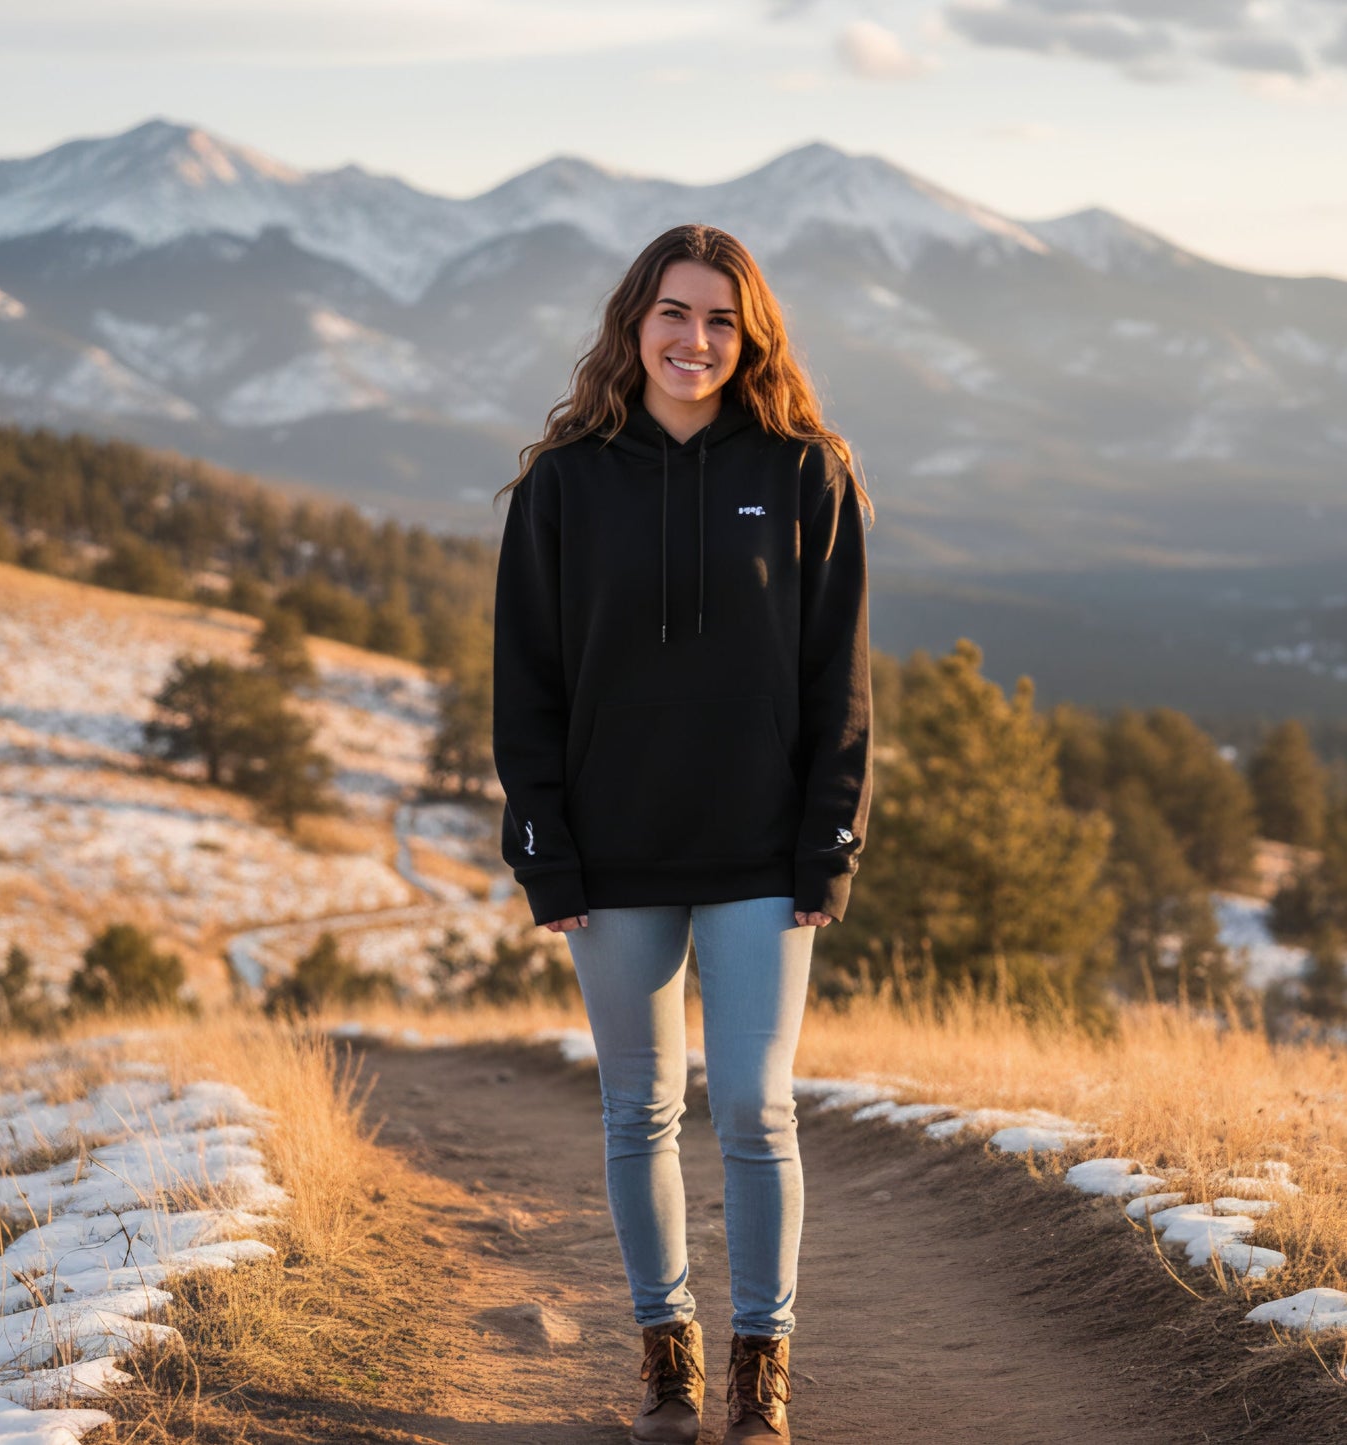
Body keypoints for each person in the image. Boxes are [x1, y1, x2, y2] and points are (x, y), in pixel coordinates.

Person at [491, 222, 872, 1445]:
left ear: (747, 333)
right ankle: (668, 1356)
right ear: (631, 323)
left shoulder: (807, 471)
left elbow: (837, 675)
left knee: (757, 1109)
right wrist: (543, 846)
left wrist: (831, 838)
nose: (693, 339)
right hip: (612, 855)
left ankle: (764, 1358)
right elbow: (526, 681)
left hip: (763, 852)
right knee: (637, 1111)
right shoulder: (564, 482)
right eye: (672, 313)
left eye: (719, 318)